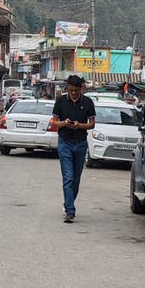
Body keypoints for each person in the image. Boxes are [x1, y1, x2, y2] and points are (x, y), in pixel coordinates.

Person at [50, 75, 96, 223]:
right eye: (71, 90)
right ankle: (70, 211)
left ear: (81, 89)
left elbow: (92, 124)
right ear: (67, 88)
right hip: (64, 143)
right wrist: (64, 123)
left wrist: (79, 125)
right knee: (68, 177)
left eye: (76, 90)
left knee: (76, 179)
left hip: (81, 144)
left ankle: (68, 202)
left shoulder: (88, 102)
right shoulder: (60, 101)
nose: (74, 93)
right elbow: (54, 122)